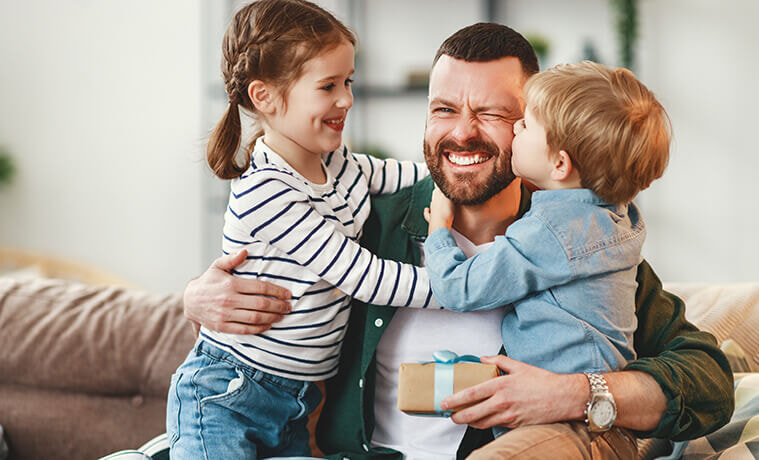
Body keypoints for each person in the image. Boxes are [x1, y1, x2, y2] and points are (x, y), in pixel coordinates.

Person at [183, 23, 734, 459]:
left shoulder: (582, 250)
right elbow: (251, 329)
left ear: (538, 133)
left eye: (494, 114)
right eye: (444, 110)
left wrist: (576, 394)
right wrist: (195, 302)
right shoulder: (367, 219)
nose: (462, 132)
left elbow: (709, 381)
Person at [167, 1, 439, 458]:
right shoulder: (266, 192)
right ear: (265, 97)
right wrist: (464, 286)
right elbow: (361, 275)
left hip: (295, 402)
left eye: (348, 82)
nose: (347, 99)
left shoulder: (339, 164)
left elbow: (413, 176)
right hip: (228, 395)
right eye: (328, 86)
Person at [422, 60, 671, 456]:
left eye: (523, 124)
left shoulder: (553, 230)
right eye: (445, 108)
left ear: (559, 163)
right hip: (603, 432)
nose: (517, 129)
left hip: (570, 428)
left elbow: (458, 287)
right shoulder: (615, 217)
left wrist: (439, 228)